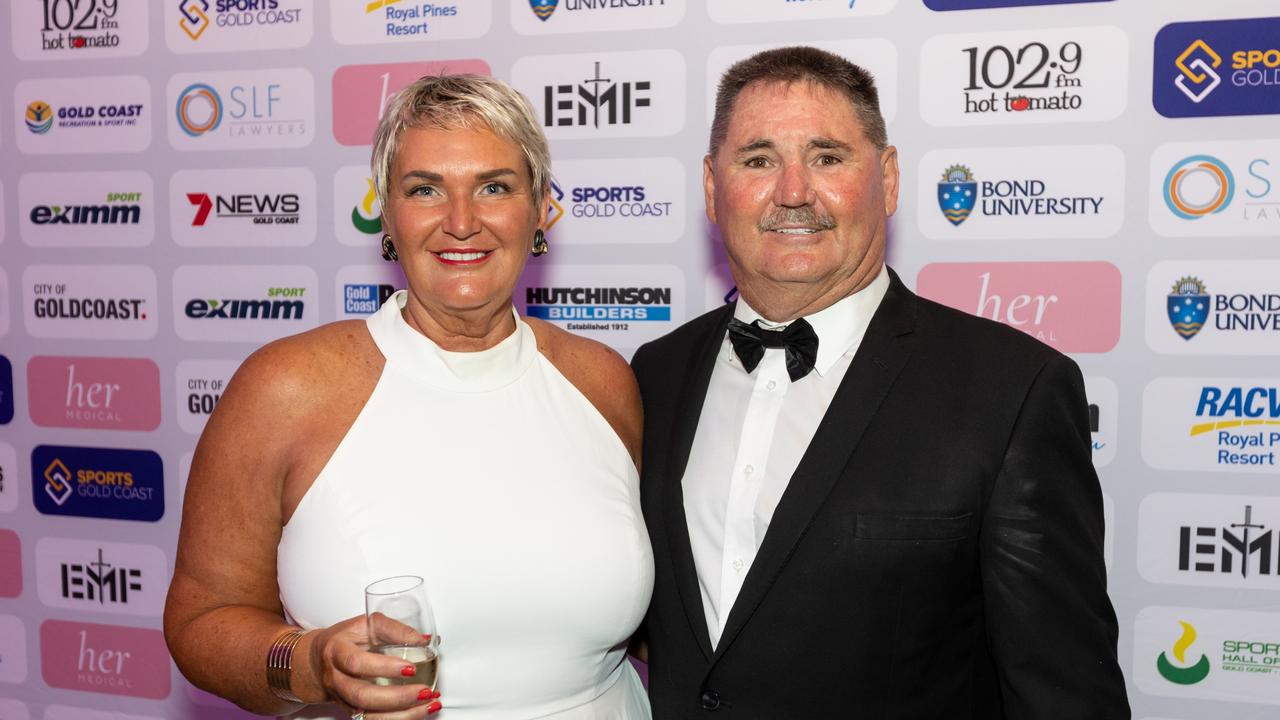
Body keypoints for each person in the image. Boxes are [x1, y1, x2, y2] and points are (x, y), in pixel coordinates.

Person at [630, 46, 1129, 718]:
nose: (794, 191)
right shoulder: (654, 374)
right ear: (713, 189)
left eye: (828, 157)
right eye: (758, 159)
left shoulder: (1012, 392)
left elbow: (1064, 692)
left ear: (888, 180)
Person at [165, 74, 654, 720]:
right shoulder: (284, 389)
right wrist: (309, 664)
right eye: (425, 189)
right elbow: (200, 620)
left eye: (494, 187)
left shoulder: (602, 380)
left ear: (539, 210)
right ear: (387, 217)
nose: (461, 222)